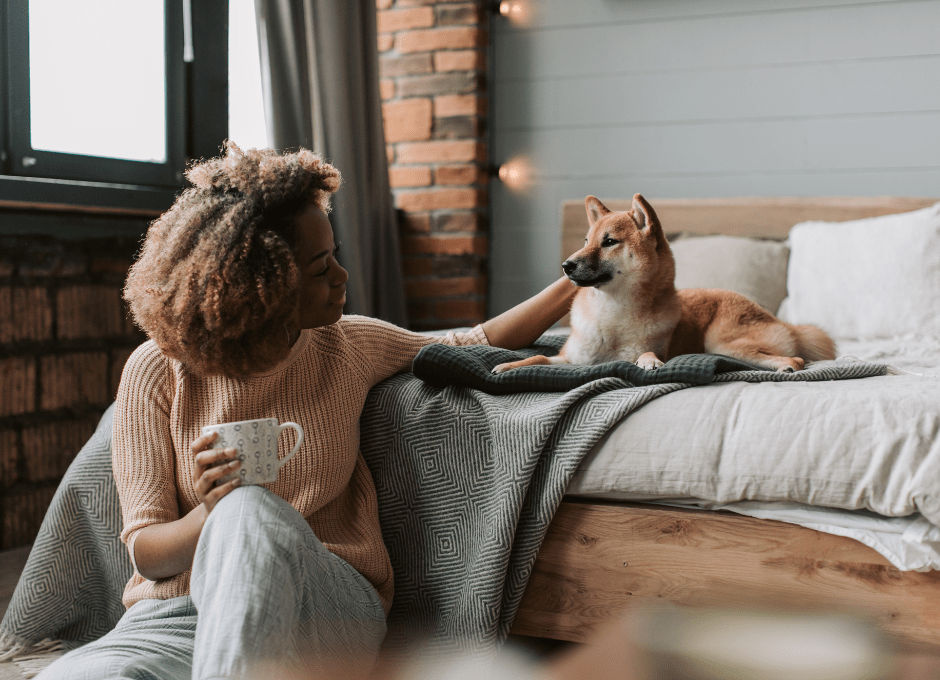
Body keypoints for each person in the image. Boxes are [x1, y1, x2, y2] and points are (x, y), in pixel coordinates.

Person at [38, 142, 576, 680]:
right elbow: (149, 556)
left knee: (250, 513)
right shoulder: (156, 371)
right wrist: (208, 511)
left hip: (322, 608)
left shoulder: (349, 346)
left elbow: (468, 341)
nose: (343, 277)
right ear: (261, 287)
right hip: (175, 620)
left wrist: (578, 279)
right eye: (321, 269)